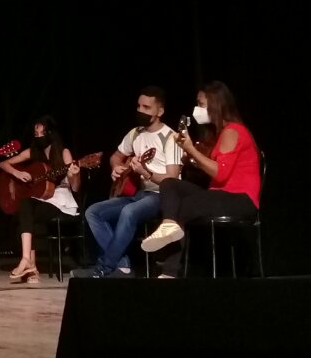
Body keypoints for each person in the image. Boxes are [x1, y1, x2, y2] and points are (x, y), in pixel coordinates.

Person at [140, 81, 261, 278]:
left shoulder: (233, 131)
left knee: (186, 205)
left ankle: (170, 268)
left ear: (216, 104)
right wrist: (192, 159)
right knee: (169, 184)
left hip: (239, 199)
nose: (197, 109)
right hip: (219, 195)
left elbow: (220, 173)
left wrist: (191, 150)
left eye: (201, 104)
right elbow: (215, 170)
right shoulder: (220, 133)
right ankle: (169, 225)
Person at [73, 86, 182, 278]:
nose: (140, 110)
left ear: (160, 111)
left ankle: (103, 268)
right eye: (139, 106)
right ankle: (122, 265)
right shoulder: (135, 133)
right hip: (141, 195)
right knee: (93, 212)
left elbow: (172, 180)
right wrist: (116, 167)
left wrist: (146, 173)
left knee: (128, 212)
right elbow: (115, 156)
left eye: (147, 107)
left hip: (162, 196)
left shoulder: (171, 138)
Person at [0, 116, 81, 283]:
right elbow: (4, 164)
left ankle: (29, 265)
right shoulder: (33, 151)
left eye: (42, 133)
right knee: (25, 206)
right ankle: (29, 264)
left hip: (59, 199)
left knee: (26, 216)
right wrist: (18, 173)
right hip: (39, 197)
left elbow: (76, 187)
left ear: (50, 133)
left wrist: (74, 175)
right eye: (36, 133)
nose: (38, 137)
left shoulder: (64, 152)